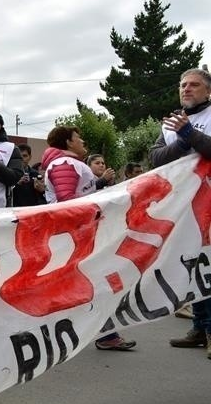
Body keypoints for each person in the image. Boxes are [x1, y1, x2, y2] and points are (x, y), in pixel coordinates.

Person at [41, 126, 136, 351]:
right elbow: (68, 203)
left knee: (85, 283)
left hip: (78, 234)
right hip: (74, 236)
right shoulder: (65, 164)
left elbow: (80, 196)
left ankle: (103, 334)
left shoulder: (70, 163)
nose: (82, 140)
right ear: (67, 142)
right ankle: (102, 335)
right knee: (91, 282)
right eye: (77, 138)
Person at [150, 67, 211, 359]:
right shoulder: (171, 123)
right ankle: (200, 328)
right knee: (193, 264)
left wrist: (190, 134)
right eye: (183, 85)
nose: (186, 89)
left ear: (208, 91)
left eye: (194, 85)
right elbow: (156, 158)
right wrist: (183, 139)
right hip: (183, 205)